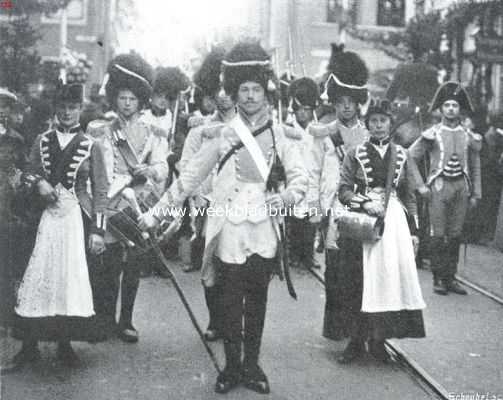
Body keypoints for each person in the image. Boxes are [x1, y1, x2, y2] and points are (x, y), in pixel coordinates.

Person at [139, 41, 307, 395]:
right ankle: (231, 367)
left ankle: (252, 365)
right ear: (234, 92)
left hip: (263, 227)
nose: (248, 96)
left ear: (265, 93)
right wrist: (156, 214)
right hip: (228, 225)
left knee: (257, 300)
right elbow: (188, 179)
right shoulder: (220, 135)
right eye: (243, 89)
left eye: (255, 90)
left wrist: (287, 197)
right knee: (230, 300)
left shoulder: (281, 136)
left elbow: (300, 178)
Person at [3, 83, 108, 373]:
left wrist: (98, 231)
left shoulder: (91, 145)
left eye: (72, 107)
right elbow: (27, 173)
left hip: (75, 218)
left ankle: (64, 344)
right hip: (44, 218)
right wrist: (38, 182)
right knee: (36, 278)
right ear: (56, 109)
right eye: (62, 107)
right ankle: (28, 346)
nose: (66, 112)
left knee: (67, 279)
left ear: (79, 110)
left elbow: (101, 190)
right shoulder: (42, 140)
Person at [334, 98, 426, 364]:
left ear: (390, 123)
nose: (378, 126)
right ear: (367, 124)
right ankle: (354, 341)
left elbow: (408, 195)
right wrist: (364, 202)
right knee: (359, 281)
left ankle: (378, 340)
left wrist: (414, 230)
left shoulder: (402, 155)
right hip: (364, 223)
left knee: (387, 281)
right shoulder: (355, 153)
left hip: (393, 222)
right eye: (373, 121)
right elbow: (343, 191)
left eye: (383, 121)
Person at [87, 53, 169, 343]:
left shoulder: (154, 133)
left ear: (140, 101)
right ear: (114, 98)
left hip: (137, 203)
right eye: (122, 97)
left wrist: (150, 170)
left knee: (133, 264)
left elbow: (163, 167)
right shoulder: (100, 129)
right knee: (108, 265)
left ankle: (126, 321)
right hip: (109, 202)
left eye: (132, 99)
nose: (126, 103)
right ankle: (104, 320)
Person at [307, 44, 369, 340]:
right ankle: (335, 327)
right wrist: (314, 208)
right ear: (335, 102)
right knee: (334, 268)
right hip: (332, 207)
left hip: (360, 208)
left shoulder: (370, 135)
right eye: (341, 101)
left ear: (359, 104)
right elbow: (313, 171)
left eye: (351, 102)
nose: (346, 107)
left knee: (358, 270)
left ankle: (357, 327)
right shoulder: (322, 132)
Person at [178, 46, 235, 342]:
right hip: (207, 205)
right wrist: (197, 197)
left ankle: (233, 321)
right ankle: (215, 320)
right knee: (209, 264)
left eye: (228, 89)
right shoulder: (200, 130)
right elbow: (187, 166)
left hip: (238, 208)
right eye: (217, 90)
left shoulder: (247, 127)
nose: (223, 95)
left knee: (235, 267)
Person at [409, 82, 482, 295]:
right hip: (439, 189)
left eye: (455, 106)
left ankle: (451, 277)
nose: (451, 109)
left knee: (456, 233)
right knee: (438, 234)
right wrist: (420, 185)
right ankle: (438, 278)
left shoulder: (469, 135)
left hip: (461, 188)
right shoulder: (432, 133)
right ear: (441, 109)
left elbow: (475, 164)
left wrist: (476, 193)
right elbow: (410, 156)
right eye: (447, 105)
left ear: (460, 110)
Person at [283, 77, 320, 270]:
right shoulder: (287, 130)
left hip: (313, 179)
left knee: (311, 221)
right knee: (294, 220)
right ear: (294, 110)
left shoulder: (318, 130)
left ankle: (309, 255)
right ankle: (293, 254)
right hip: (294, 178)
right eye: (300, 110)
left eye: (307, 110)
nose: (304, 114)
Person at [0, 88, 26, 333]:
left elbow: (22, 169)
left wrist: (17, 180)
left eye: (5, 106)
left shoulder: (15, 139)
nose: (1, 110)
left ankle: (6, 317)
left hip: (6, 207)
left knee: (6, 264)